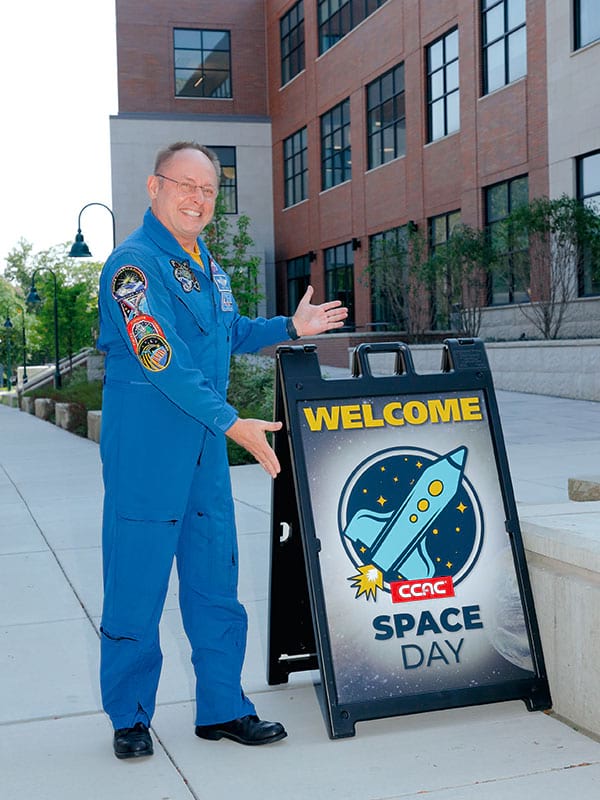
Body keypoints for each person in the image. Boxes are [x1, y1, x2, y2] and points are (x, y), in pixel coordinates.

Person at [97, 141, 347, 759]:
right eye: (185, 184)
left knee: (215, 579)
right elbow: (161, 359)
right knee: (138, 584)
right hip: (148, 452)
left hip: (204, 446)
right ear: (154, 188)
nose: (198, 198)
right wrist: (234, 422)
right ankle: (129, 717)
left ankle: (222, 707)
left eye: (208, 190)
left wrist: (291, 327)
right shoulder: (132, 267)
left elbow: (227, 332)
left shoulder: (205, 263)